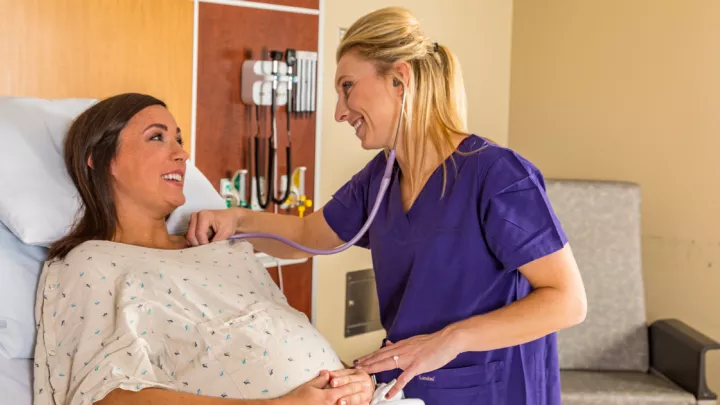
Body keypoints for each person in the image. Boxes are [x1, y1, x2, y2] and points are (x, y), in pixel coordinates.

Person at [188, 6, 588, 405]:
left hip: (494, 390)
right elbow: (307, 236)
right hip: (405, 391)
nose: (339, 112)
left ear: (399, 80)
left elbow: (568, 302)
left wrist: (450, 340)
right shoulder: (380, 179)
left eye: (347, 87)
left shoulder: (497, 174)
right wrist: (235, 219)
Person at [32, 93, 374, 405]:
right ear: (100, 158)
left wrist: (353, 378)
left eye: (178, 139)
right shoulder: (91, 264)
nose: (182, 154)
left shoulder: (221, 249)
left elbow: (283, 336)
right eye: (157, 137)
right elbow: (106, 397)